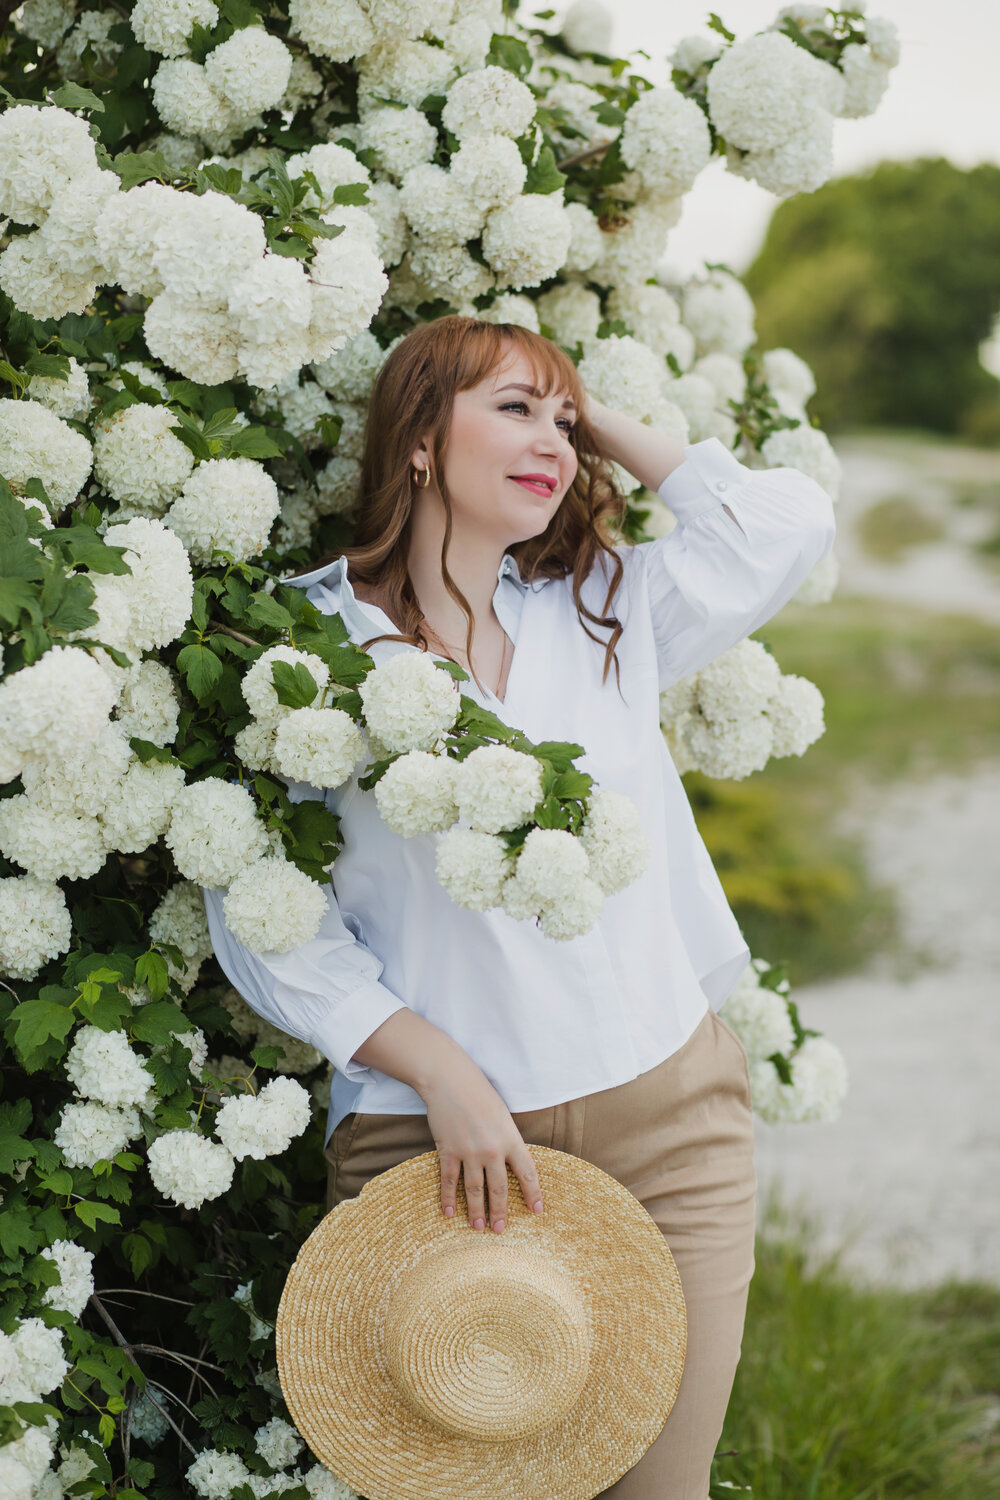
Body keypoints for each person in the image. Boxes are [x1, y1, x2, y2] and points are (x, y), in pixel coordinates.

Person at [203, 314, 836, 1499]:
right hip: (435, 1147)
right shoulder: (306, 647)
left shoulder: (604, 610)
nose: (552, 439)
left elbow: (782, 525)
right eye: (512, 408)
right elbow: (264, 914)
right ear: (418, 439)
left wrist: (589, 415)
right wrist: (442, 1074)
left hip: (670, 1118)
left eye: (562, 420)